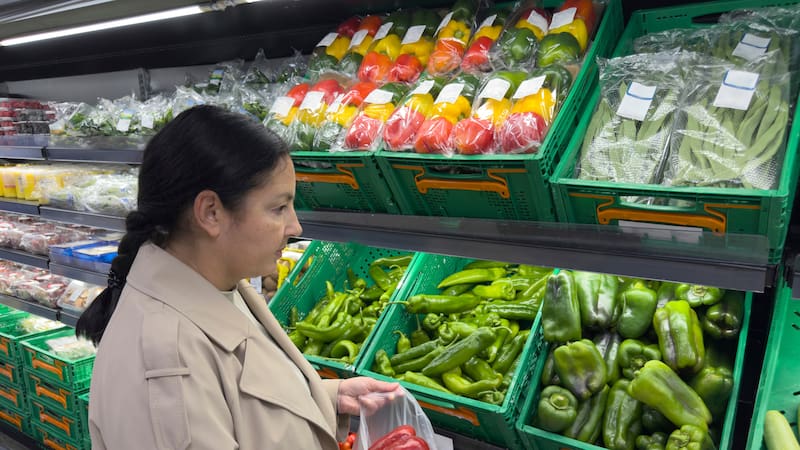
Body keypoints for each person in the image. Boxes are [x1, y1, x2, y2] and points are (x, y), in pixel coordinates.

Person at [77, 105, 399, 449]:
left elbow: (239, 400)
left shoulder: (220, 282)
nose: (295, 227)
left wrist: (324, 397)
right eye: (278, 208)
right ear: (211, 212)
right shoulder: (164, 368)